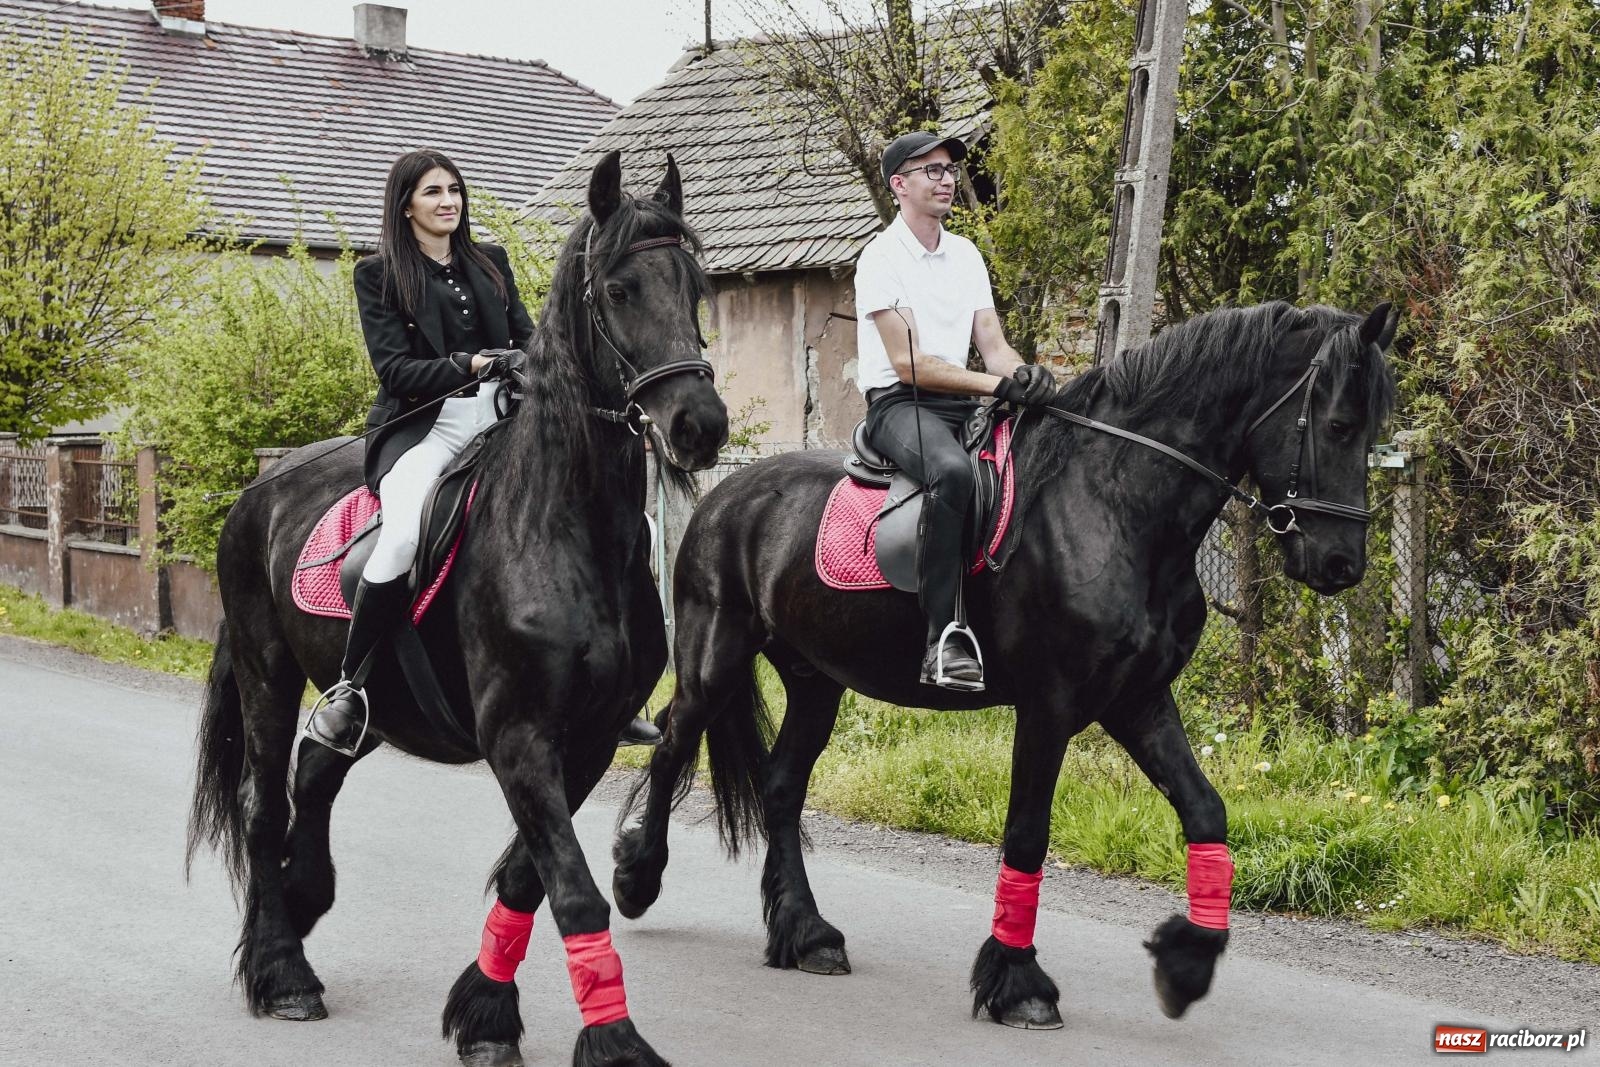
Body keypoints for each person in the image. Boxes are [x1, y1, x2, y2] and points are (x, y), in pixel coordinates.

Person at [304, 149, 661, 755]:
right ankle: (351, 687)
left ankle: (619, 690)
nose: (448, 202)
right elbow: (395, 370)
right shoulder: (379, 275)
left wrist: (537, 361)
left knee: (637, 527)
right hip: (424, 429)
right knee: (398, 539)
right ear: (406, 205)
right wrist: (468, 364)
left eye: (454, 191)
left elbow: (529, 336)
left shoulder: (491, 263)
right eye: (433, 192)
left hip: (503, 423)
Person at [854, 132, 1056, 691]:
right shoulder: (880, 257)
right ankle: (943, 638)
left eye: (948, 170)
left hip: (965, 402)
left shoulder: (964, 253)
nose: (946, 179)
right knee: (950, 472)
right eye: (931, 170)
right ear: (899, 185)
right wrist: (996, 383)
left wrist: (1024, 376)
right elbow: (909, 364)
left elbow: (992, 342)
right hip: (902, 406)